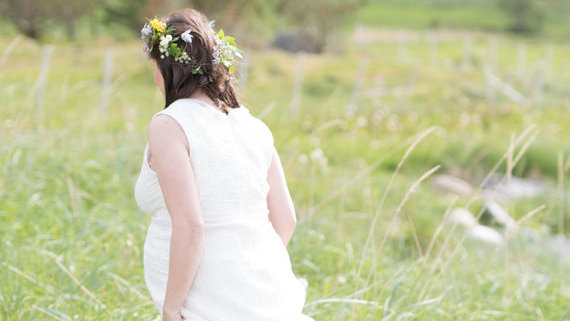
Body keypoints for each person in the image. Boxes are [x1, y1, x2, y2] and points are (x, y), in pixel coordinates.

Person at [134, 8, 314, 321]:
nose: (153, 77)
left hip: (207, 298)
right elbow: (285, 220)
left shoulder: (169, 125)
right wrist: (248, 271)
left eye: (154, 67)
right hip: (264, 291)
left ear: (168, 68)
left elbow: (191, 226)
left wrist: (172, 307)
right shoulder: (253, 126)